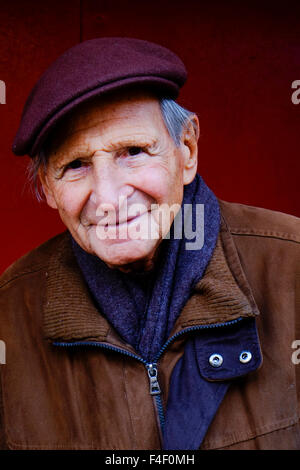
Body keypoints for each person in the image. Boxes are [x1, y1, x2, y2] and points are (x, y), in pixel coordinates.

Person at [0, 37, 299, 450]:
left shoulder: (292, 267)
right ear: (49, 188)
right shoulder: (10, 310)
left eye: (133, 151)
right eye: (75, 165)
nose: (108, 199)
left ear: (187, 150)